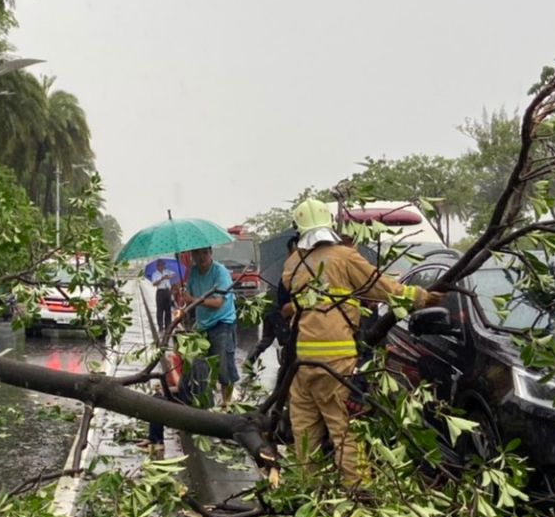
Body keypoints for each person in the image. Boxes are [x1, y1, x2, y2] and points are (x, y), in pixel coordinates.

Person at [281, 199, 443, 487]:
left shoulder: (292, 264)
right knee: (345, 431)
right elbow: (385, 288)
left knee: (305, 433)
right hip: (337, 361)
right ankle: (357, 496)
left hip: (302, 362)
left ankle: (307, 493)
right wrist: (422, 297)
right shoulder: (344, 257)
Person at [177, 245, 239, 408]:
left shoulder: (220, 272)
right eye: (197, 253)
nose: (201, 257)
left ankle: (227, 404)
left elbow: (218, 302)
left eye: (205, 253)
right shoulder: (193, 273)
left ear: (211, 253)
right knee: (197, 365)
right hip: (202, 326)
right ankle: (204, 403)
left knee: (223, 367)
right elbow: (188, 300)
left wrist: (193, 300)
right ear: (192, 255)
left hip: (222, 323)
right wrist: (183, 305)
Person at [245, 235, 298, 391]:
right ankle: (282, 385)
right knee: (286, 344)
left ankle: (249, 365)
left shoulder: (288, 267)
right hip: (275, 311)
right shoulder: (290, 270)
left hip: (272, 307)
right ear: (290, 252)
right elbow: (284, 303)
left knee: (267, 341)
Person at [149, 258, 177, 334]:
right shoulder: (155, 274)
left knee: (168, 309)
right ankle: (160, 326)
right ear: (157, 266)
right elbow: (154, 284)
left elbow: (174, 274)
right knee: (160, 310)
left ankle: (168, 326)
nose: (162, 266)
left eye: (163, 265)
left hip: (167, 291)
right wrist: (161, 279)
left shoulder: (166, 271)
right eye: (160, 265)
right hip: (160, 292)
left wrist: (169, 276)